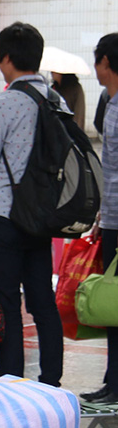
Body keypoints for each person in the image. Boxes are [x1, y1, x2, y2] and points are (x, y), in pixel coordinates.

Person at [0, 22, 64, 388]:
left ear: (5, 58)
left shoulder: (4, 103)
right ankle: (51, 382)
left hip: (3, 218)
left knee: (6, 304)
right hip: (41, 218)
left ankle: (11, 384)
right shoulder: (57, 101)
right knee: (42, 301)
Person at [80, 33, 118, 404]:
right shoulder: (110, 102)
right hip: (111, 218)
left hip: (117, 221)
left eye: (98, 62)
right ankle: (112, 380)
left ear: (107, 62)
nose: (96, 70)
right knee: (112, 303)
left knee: (115, 302)